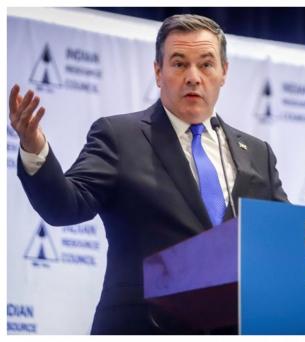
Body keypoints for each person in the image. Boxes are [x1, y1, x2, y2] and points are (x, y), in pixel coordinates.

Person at [9, 14, 288, 334]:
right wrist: (34, 147)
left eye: (206, 64)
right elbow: (64, 206)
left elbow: (285, 241)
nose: (194, 77)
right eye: (179, 64)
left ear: (224, 72)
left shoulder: (256, 152)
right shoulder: (120, 136)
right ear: (158, 72)